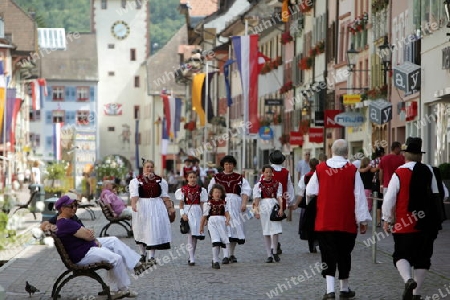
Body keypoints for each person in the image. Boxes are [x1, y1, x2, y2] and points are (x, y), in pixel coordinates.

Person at [306, 139, 371, 299]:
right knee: (344, 254)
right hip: (346, 220)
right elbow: (359, 196)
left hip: (325, 221)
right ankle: (344, 288)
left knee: (327, 254)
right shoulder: (352, 170)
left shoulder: (320, 169)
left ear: (331, 151)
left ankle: (330, 290)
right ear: (346, 153)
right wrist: (362, 221)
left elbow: (310, 190)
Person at [382, 137, 445, 300]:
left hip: (405, 223)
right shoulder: (431, 171)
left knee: (400, 254)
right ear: (420, 155)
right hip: (426, 224)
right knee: (423, 258)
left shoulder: (400, 172)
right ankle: (417, 293)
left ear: (405, 155)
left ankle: (408, 279)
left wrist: (386, 219)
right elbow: (442, 193)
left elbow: (389, 198)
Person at [54, 195, 147, 298]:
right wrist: (92, 240)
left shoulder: (66, 221)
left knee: (113, 241)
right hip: (83, 254)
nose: (74, 208)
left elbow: (86, 234)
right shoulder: (66, 223)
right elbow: (88, 236)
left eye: (75, 205)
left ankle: (135, 265)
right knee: (116, 258)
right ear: (62, 208)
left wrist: (92, 239)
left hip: (85, 248)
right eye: (71, 206)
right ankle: (123, 289)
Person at [207, 155, 251, 263]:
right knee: (223, 228)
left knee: (234, 228)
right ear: (223, 165)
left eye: (230, 164)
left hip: (236, 204)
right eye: (226, 164)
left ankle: (231, 253)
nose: (228, 166)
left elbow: (246, 191)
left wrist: (244, 203)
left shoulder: (239, 178)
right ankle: (224, 255)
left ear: (234, 165)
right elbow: (210, 192)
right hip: (221, 204)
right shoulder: (216, 177)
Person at [130, 159, 174, 264]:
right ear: (143, 168)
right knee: (140, 229)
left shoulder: (160, 180)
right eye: (147, 167)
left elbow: (164, 196)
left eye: (151, 167)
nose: (149, 169)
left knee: (152, 230)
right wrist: (133, 205)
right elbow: (134, 195)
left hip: (156, 207)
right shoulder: (136, 181)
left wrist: (170, 208)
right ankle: (142, 253)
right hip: (142, 206)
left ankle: (151, 256)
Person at [175, 171, 208, 266]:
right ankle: (192, 257)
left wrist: (204, 216)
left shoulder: (201, 190)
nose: (192, 179)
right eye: (191, 177)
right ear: (187, 178)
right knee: (190, 234)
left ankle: (191, 255)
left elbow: (202, 204)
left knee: (195, 235)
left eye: (194, 177)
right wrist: (182, 214)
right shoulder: (183, 189)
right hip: (188, 211)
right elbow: (181, 203)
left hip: (197, 211)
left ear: (197, 178)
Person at [253, 165, 284, 263]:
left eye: (270, 172)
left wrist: (281, 208)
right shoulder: (258, 185)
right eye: (266, 172)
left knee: (275, 229)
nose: (268, 174)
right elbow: (256, 199)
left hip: (273, 206)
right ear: (263, 173)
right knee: (266, 231)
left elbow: (279, 196)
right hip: (263, 207)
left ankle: (274, 251)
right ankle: (269, 254)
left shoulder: (277, 184)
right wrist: (256, 211)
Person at [268, 150, 295, 255]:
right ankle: (276, 243)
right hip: (281, 200)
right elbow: (289, 187)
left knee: (270, 223)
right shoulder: (286, 172)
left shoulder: (268, 170)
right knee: (276, 222)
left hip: (269, 199)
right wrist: (289, 201)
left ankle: (273, 244)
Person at [199, 184, 230, 269]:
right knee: (215, 241)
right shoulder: (208, 204)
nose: (217, 194)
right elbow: (204, 216)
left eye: (219, 192)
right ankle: (215, 260)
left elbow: (227, 214)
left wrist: (227, 220)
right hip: (212, 223)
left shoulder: (224, 203)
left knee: (222, 241)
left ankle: (222, 257)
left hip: (221, 222)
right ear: (212, 194)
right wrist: (201, 227)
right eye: (216, 192)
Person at [292, 158, 319, 253]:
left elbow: (301, 193)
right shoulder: (322, 175)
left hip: (309, 203)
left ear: (310, 166)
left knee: (310, 225)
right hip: (320, 203)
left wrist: (296, 204)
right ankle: (319, 242)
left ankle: (311, 245)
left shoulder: (305, 177)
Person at [370, 146, 385, 226]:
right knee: (380, 202)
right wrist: (379, 168)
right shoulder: (378, 161)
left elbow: (371, 169)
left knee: (378, 202)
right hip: (379, 182)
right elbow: (371, 170)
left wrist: (376, 168)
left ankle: (380, 220)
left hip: (376, 183)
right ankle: (380, 220)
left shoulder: (374, 161)